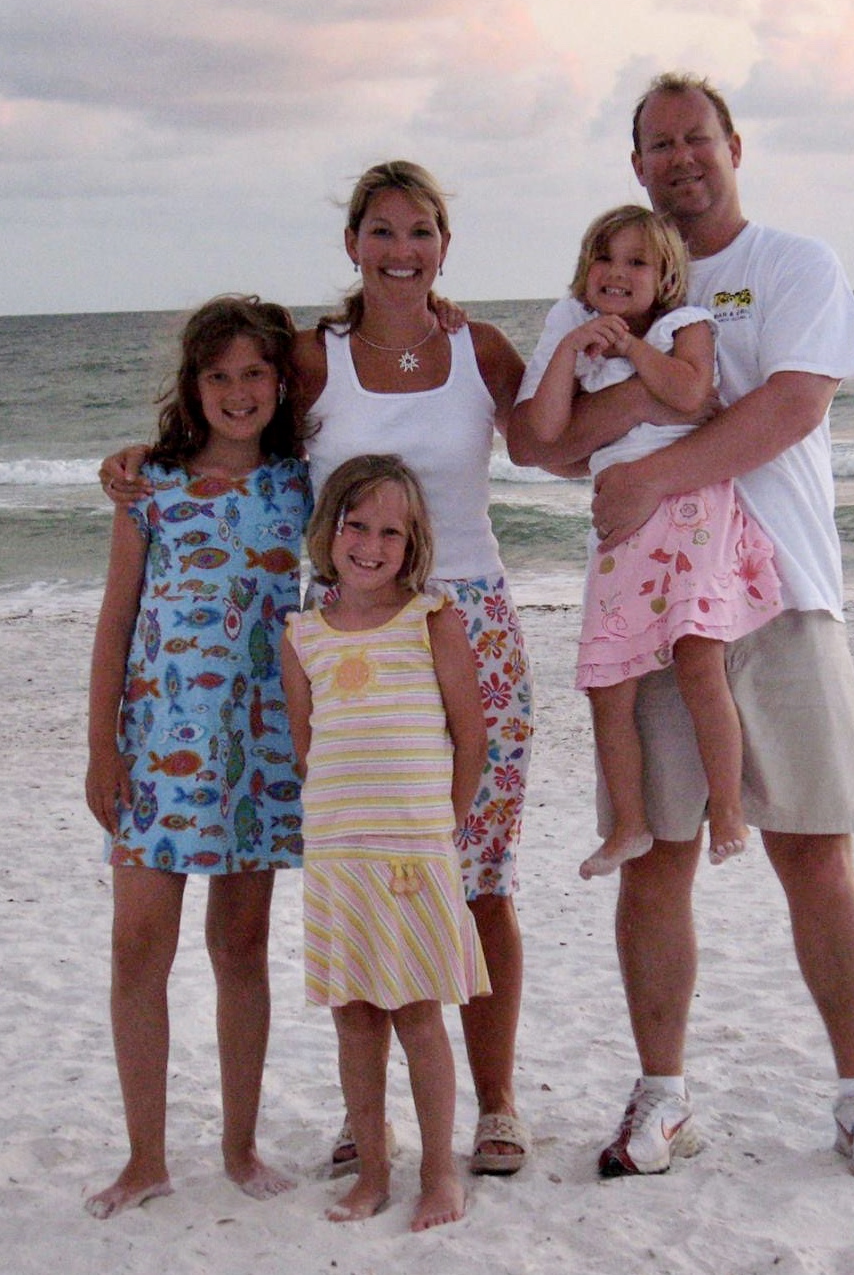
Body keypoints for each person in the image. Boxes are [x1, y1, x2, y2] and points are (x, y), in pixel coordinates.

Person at [505, 73, 854, 1185]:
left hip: (781, 589)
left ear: (733, 145)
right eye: (658, 144)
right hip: (645, 608)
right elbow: (542, 444)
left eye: (697, 137)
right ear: (634, 165)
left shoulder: (794, 264)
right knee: (655, 855)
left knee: (814, 849)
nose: (680, 156)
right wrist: (640, 405)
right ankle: (662, 1095)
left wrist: (653, 467)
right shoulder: (597, 284)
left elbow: (790, 405)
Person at [102, 162, 533, 1175]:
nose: (399, 250)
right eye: (380, 232)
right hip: (332, 644)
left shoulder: (481, 347)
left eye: (419, 232)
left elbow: (554, 433)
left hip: (461, 616)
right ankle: (359, 1118)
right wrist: (131, 461)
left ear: (443, 243)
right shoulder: (309, 357)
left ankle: (495, 1103)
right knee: (360, 866)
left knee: (473, 871)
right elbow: (217, 429)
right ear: (352, 243)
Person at [81, 295, 313, 1219]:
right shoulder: (151, 486)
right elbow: (114, 621)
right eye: (217, 374)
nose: (237, 391)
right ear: (192, 385)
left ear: (280, 381)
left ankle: (239, 1143)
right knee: (138, 946)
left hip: (257, 746)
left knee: (241, 948)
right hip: (158, 741)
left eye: (254, 372)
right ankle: (145, 1157)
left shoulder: (301, 483)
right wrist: (101, 747)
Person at [512, 204, 782, 880]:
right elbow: (543, 434)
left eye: (638, 262)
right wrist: (573, 352)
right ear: (585, 268)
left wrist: (632, 352)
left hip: (686, 504)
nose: (618, 273)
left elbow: (691, 395)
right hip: (621, 526)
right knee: (608, 683)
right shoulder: (570, 324)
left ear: (665, 277)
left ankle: (724, 806)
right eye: (606, 258)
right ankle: (629, 823)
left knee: (697, 658)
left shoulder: (680, 325)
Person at [281, 455, 489, 1230]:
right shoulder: (302, 634)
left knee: (418, 1017)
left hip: (413, 854)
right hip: (339, 856)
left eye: (390, 532)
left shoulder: (430, 619)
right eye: (355, 525)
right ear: (329, 528)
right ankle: (372, 1170)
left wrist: (443, 826)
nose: (369, 544)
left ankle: (439, 1173)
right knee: (354, 1019)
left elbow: (470, 738)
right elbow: (307, 746)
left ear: (413, 545)